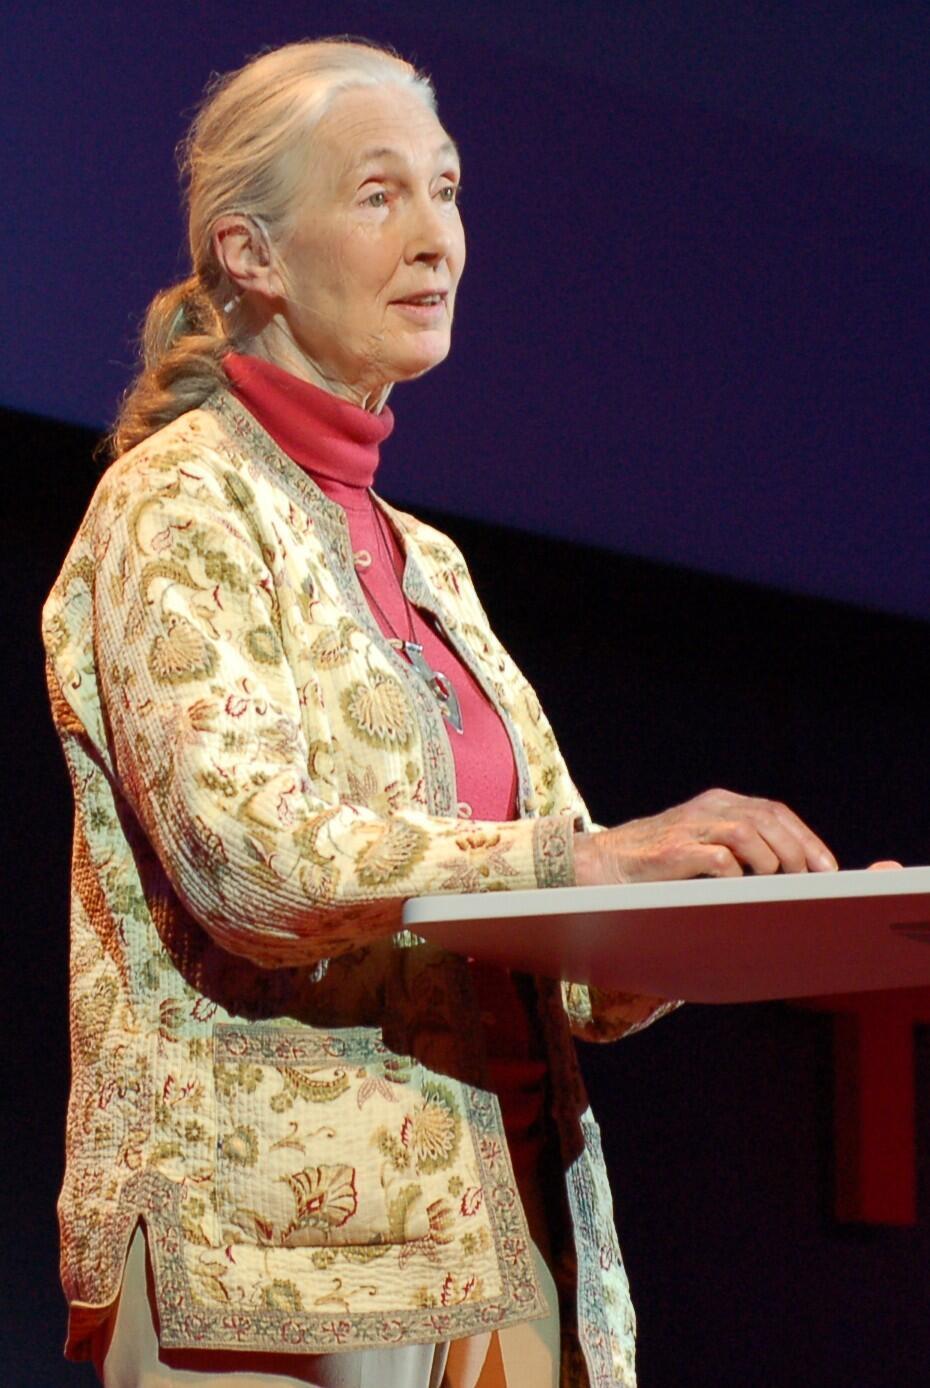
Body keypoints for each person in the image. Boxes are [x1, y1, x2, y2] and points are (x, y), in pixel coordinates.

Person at [42, 38, 841, 1388]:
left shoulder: (429, 562)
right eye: (378, 195)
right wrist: (584, 863)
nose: (437, 240)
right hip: (276, 1261)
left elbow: (569, 964)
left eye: (449, 190)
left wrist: (703, 921)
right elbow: (247, 857)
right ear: (249, 253)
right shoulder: (175, 504)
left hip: (511, 1239)